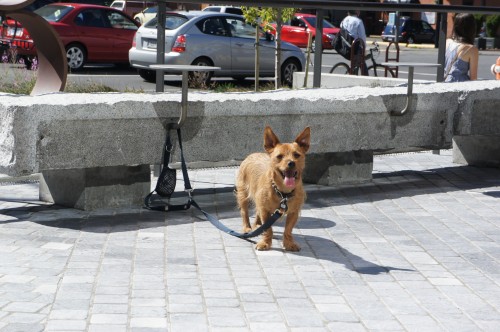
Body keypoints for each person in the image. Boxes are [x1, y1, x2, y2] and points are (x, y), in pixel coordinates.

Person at [444, 13, 479, 82]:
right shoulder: (471, 49)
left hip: (446, 82)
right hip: (460, 86)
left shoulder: (448, 42)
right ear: (471, 28)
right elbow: (473, 78)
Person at [340, 10, 367, 75]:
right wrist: (364, 48)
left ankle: (351, 71)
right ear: (357, 12)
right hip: (355, 47)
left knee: (355, 63)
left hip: (345, 46)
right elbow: (362, 37)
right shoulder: (358, 21)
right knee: (363, 65)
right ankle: (366, 81)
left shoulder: (344, 20)